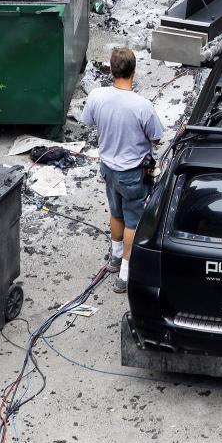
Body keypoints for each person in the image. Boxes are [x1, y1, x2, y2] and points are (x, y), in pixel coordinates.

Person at [81, 48, 165, 293]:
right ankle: (125, 274)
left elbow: (87, 121)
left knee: (115, 213)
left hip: (108, 169)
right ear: (134, 71)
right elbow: (157, 137)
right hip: (132, 174)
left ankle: (114, 258)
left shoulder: (97, 96)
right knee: (133, 221)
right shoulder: (142, 105)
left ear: (111, 69)